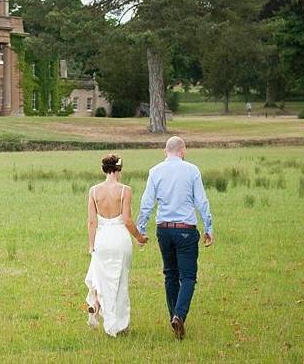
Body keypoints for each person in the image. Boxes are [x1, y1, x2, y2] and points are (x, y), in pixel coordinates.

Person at [137, 136, 214, 340]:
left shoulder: (155, 171)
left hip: (164, 229)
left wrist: (141, 228)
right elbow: (202, 202)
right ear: (183, 150)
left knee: (170, 275)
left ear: (165, 151)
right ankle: (179, 315)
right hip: (186, 229)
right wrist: (209, 228)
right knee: (188, 277)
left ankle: (174, 317)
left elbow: (147, 203)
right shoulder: (192, 170)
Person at [85, 154, 148, 336]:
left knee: (103, 279)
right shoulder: (125, 190)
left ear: (104, 169)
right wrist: (139, 237)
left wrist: (91, 245)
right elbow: (127, 221)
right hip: (120, 239)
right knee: (120, 283)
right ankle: (119, 325)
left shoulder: (94, 191)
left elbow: (91, 221)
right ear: (119, 169)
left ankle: (97, 304)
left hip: (102, 240)